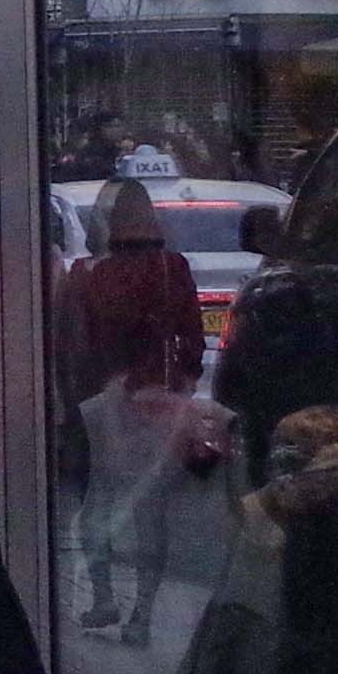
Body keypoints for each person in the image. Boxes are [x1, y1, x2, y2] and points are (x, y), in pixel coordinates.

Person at [59, 176, 214, 638]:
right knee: (150, 511)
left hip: (100, 408)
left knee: (95, 508)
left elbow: (71, 345)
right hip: (157, 404)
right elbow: (192, 339)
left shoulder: (85, 274)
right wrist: (179, 386)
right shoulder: (173, 268)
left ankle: (104, 597)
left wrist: (76, 399)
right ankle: (142, 615)